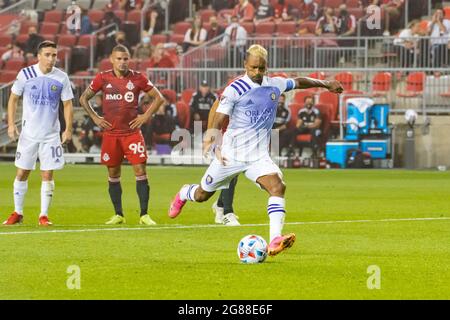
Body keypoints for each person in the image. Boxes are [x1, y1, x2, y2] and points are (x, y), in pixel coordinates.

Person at [168, 44, 343, 256]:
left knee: (278, 187)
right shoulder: (235, 88)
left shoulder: (274, 84)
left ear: (266, 67)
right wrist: (212, 141)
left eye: (261, 68)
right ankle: (184, 193)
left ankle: (275, 240)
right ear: (245, 65)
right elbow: (220, 116)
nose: (257, 72)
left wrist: (326, 84)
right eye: (253, 68)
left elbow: (299, 82)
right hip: (230, 155)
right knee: (203, 195)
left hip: (258, 156)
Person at [79, 45, 165, 225]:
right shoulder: (103, 78)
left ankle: (144, 215)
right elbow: (83, 98)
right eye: (119, 59)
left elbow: (159, 98)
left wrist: (145, 116)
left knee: (141, 171)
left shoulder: (138, 78)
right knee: (113, 173)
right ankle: (118, 214)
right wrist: (95, 118)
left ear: (129, 59)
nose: (122, 62)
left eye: (125, 59)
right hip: (111, 134)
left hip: (132, 133)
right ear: (111, 59)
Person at [2, 41, 74, 226]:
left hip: (51, 135)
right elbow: (13, 99)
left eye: (54, 55)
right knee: (22, 172)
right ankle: (18, 212)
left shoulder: (61, 77)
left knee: (47, 174)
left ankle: (43, 215)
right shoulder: (25, 74)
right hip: (28, 134)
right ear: (39, 56)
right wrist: (11, 124)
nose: (51, 59)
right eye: (48, 55)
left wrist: (68, 128)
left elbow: (67, 104)